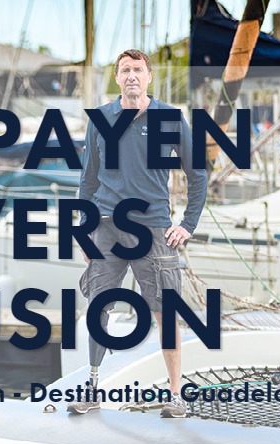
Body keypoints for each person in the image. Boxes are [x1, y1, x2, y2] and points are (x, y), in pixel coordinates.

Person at [69, 49, 207, 417]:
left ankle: (176, 394)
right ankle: (92, 387)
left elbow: (197, 174)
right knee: (99, 307)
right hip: (106, 227)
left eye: (138, 70)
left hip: (155, 229)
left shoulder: (169, 118)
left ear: (149, 77)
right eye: (125, 70)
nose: (132, 75)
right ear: (117, 77)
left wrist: (187, 224)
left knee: (166, 312)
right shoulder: (101, 120)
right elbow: (88, 180)